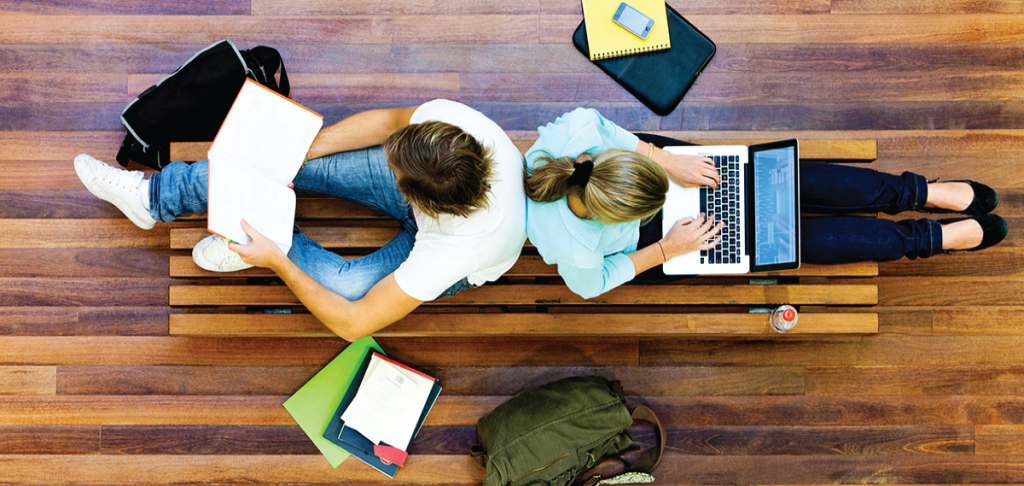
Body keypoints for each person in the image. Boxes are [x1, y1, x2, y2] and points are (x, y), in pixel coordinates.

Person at [75, 100, 527, 341]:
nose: (386, 166)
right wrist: (302, 152)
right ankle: (153, 198)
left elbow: (355, 322)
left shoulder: (455, 250)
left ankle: (266, 243)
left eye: (394, 172)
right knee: (275, 159)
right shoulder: (451, 127)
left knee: (348, 288)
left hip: (452, 252)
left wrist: (278, 261)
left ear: (416, 198)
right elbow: (390, 121)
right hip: (441, 199)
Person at [524, 108, 1007, 299]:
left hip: (658, 166)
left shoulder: (576, 135)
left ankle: (917, 192)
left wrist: (667, 162)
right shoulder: (575, 250)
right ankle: (923, 238)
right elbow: (593, 285)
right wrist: (667, 250)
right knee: (780, 240)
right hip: (655, 242)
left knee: (780, 182)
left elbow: (611, 132)